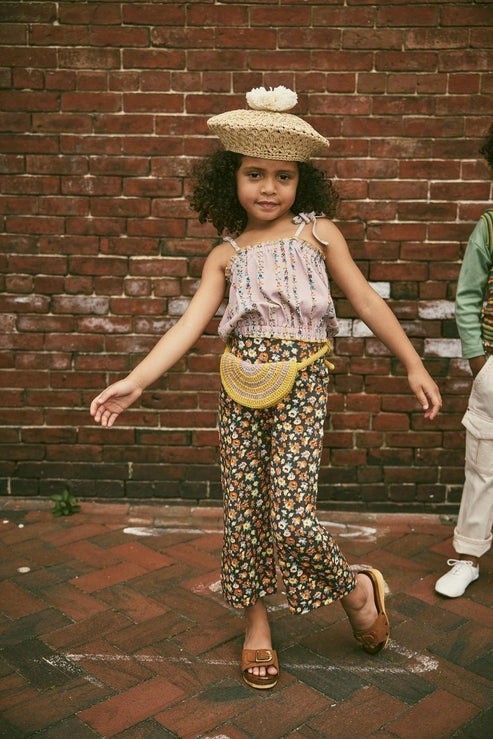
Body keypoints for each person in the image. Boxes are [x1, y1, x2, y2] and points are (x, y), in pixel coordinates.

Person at [91, 87, 442, 690]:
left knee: (292, 518)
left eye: (284, 176)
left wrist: (413, 362)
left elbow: (364, 299)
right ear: (231, 178)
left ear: (301, 181)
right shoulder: (223, 256)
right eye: (255, 174)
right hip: (239, 384)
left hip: (303, 381)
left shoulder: (319, 234)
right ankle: (256, 622)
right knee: (245, 510)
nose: (269, 188)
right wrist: (136, 381)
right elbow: (188, 326)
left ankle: (356, 589)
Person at [435, 123, 493, 599]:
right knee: (483, 466)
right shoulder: (490, 226)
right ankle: (469, 557)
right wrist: (479, 361)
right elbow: (468, 296)